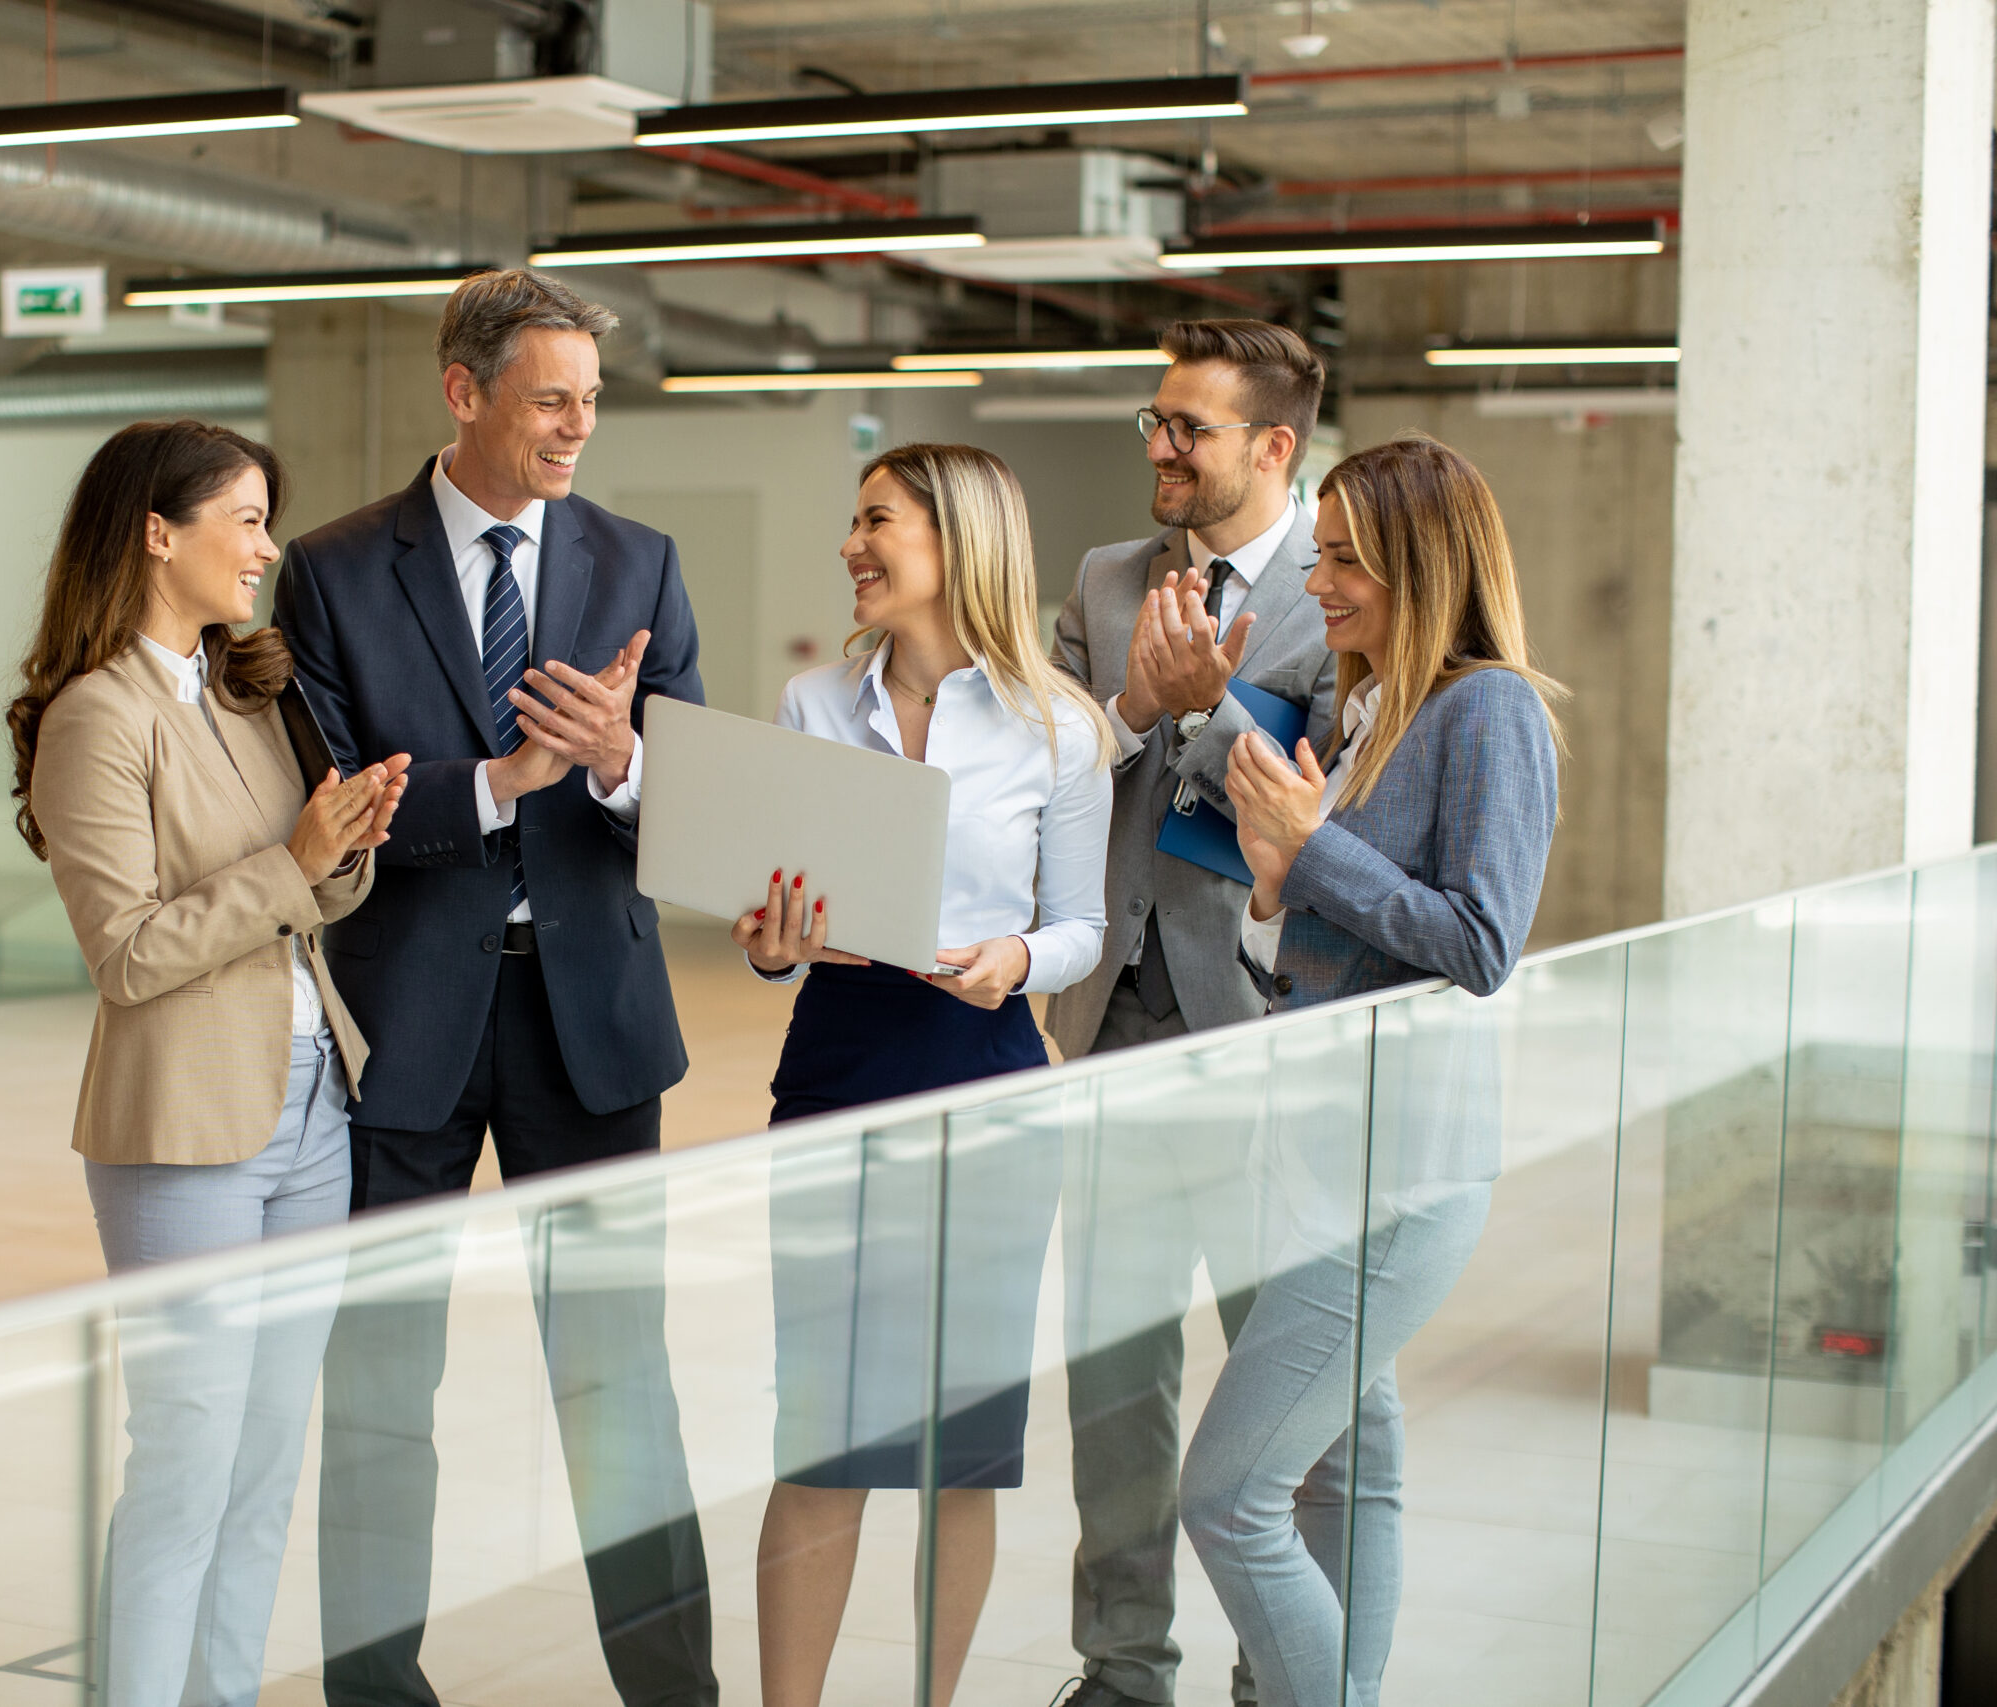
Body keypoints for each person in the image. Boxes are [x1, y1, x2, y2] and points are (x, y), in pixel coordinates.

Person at [276, 268, 716, 1707]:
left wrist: (621, 763)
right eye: (551, 398)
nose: (577, 426)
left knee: (620, 1388)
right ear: (463, 392)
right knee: (383, 1388)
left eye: (591, 399)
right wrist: (494, 781)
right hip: (410, 1027)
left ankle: (673, 1690)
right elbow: (331, 805)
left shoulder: (638, 561)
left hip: (595, 1029)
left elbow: (698, 798)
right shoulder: (335, 572)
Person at [8, 419, 409, 1707]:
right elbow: (124, 954)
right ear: (155, 532)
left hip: (309, 1113)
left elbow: (300, 900)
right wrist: (289, 867)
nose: (267, 548)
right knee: (184, 1467)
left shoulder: (242, 693)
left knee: (262, 1469)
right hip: (182, 1125)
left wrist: (340, 850)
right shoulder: (96, 716)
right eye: (243, 518)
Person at [1179, 432, 1564, 1707]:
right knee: (1351, 1463)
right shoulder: (1363, 711)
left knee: (1228, 1496)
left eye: (1346, 561)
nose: (1321, 584)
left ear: (1423, 563)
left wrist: (1306, 848)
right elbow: (1304, 934)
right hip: (1316, 1145)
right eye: (1323, 556)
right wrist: (1281, 876)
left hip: (1400, 1168)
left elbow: (1478, 940)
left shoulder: (1489, 707)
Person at [729, 442, 1112, 1707]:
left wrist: (1014, 955)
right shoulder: (810, 707)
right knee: (822, 1429)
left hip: (986, 1076)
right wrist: (774, 948)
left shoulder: (1060, 723)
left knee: (963, 1447)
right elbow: (781, 929)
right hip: (836, 1067)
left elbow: (1081, 927)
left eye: (875, 521)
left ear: (955, 542)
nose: (852, 545)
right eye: (851, 520)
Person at [1045, 318, 1337, 1707]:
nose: (1158, 448)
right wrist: (1126, 701)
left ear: (1274, 447)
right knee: (1115, 1382)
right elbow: (1039, 774)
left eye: (1189, 428)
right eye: (1153, 422)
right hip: (1109, 1029)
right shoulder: (1107, 580)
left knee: (1281, 1396)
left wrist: (1204, 721)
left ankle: (1276, 1671)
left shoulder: (1344, 596)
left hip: (1267, 1042)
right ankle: (1119, 1666)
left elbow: (1328, 807)